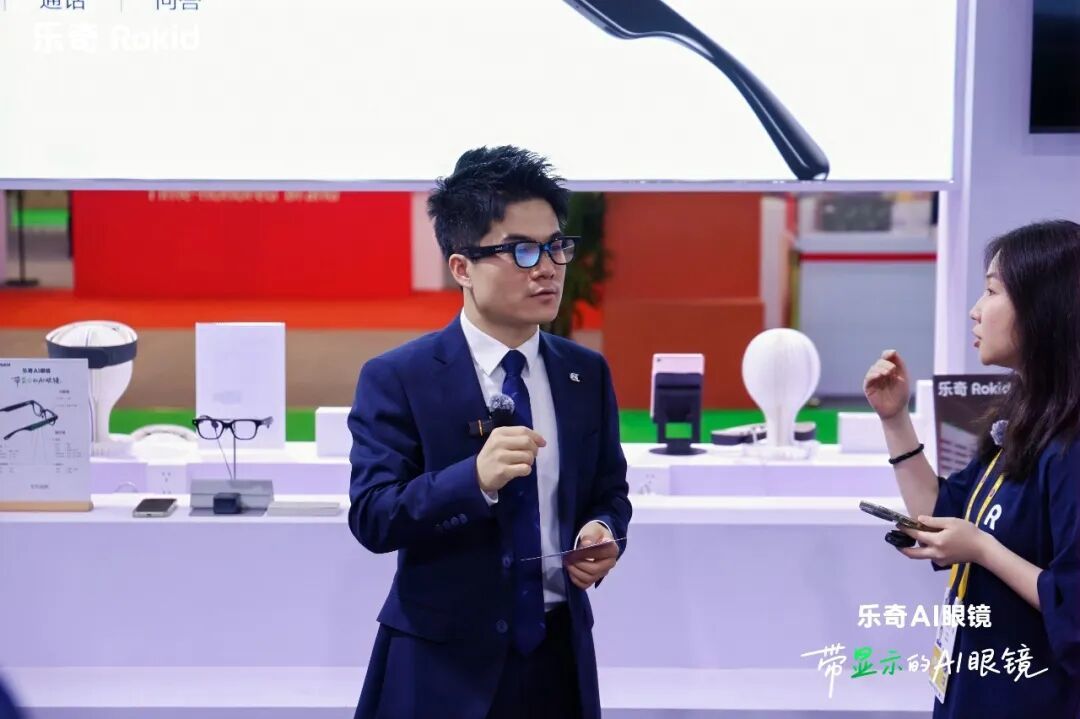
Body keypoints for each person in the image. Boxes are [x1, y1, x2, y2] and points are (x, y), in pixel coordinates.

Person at [346, 146, 632, 719]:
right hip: (441, 668)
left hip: (559, 659)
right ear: (462, 268)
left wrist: (604, 530)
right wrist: (472, 480)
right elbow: (374, 517)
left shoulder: (584, 373)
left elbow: (609, 490)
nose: (547, 268)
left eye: (556, 246)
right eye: (522, 250)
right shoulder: (399, 377)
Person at [863, 219, 1080, 718]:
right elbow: (939, 513)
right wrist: (894, 419)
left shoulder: (1069, 446)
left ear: (1043, 307)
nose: (975, 311)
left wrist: (982, 549)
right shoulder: (1025, 421)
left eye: (992, 291)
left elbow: (1070, 602)